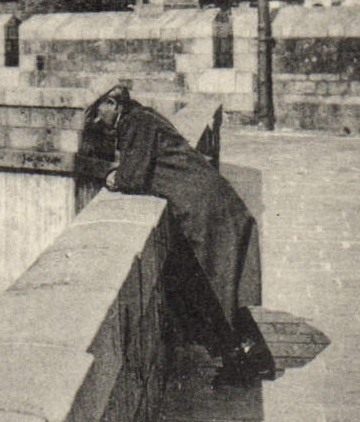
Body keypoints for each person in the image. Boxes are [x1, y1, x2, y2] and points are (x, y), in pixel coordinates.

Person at [86, 85, 272, 385]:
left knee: (214, 291)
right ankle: (253, 359)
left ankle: (247, 363)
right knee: (217, 290)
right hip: (208, 204)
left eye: (98, 111)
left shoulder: (135, 123)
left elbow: (133, 177)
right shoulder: (143, 117)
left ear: (112, 103)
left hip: (204, 210)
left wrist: (111, 177)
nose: (97, 120)